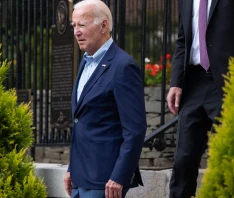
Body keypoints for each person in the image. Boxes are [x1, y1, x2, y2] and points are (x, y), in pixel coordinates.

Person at [63, 0, 147, 197]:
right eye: (74, 26)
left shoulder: (123, 66)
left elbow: (135, 129)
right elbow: (84, 122)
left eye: (82, 25)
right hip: (79, 178)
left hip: (105, 181)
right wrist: (71, 169)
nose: (76, 32)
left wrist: (120, 176)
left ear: (103, 26)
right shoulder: (85, 63)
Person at [166, 0, 234, 197]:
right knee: (183, 159)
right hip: (193, 83)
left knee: (224, 158)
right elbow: (182, 39)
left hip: (226, 80)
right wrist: (176, 82)